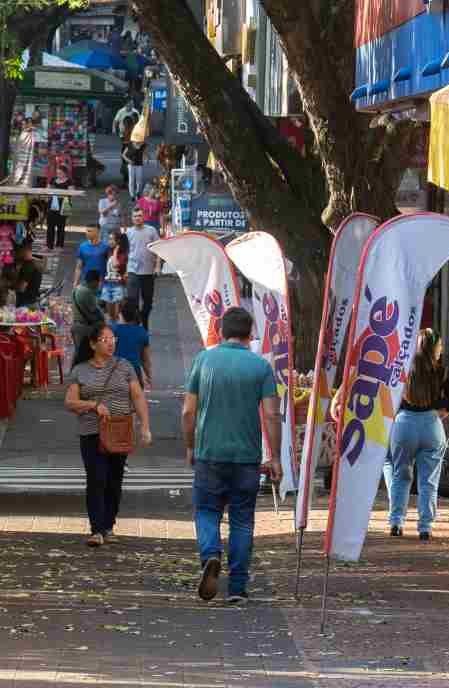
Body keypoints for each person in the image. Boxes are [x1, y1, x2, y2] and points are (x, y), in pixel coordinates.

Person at [182, 307, 281, 603]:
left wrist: (190, 446)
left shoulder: (203, 360)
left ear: (220, 331)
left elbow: (188, 411)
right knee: (242, 520)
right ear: (250, 334)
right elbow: (272, 414)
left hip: (209, 454)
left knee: (206, 511)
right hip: (246, 457)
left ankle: (211, 555)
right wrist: (275, 456)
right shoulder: (260, 367)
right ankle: (237, 588)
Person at [64, 322, 152, 547]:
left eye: (113, 339)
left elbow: (138, 396)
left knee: (114, 479)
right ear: (93, 344)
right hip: (91, 432)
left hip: (119, 430)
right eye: (105, 340)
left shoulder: (125, 366)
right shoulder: (80, 370)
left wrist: (145, 426)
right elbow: (70, 402)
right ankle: (96, 530)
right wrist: (93, 405)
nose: (111, 343)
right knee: (97, 479)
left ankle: (108, 525)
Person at [381, 329, 449, 541]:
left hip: (404, 425)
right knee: (429, 481)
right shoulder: (441, 371)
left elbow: (387, 395)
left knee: (400, 475)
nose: (441, 349)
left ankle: (396, 522)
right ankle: (425, 527)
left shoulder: (403, 369)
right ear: (434, 348)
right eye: (440, 346)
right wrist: (441, 408)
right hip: (431, 425)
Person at [125, 208, 162, 331]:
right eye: (135, 216)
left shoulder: (151, 231)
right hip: (132, 271)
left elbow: (158, 249)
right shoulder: (128, 232)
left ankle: (144, 321)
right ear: (132, 218)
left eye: (140, 216)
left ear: (144, 217)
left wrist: (157, 266)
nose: (137, 218)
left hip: (148, 271)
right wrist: (124, 270)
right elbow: (124, 252)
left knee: (148, 302)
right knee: (132, 301)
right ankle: (135, 326)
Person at [111, 298, 152, 388]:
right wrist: (148, 376)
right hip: (135, 372)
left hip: (115, 372)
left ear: (120, 313)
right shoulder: (142, 332)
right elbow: (145, 360)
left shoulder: (113, 330)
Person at [71, 270, 106, 349]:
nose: (99, 284)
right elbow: (96, 311)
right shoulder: (87, 292)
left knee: (78, 353)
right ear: (94, 281)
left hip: (76, 327)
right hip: (85, 329)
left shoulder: (77, 289)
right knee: (86, 353)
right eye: (98, 282)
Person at [100, 229, 129, 320]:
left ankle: (116, 327)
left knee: (117, 313)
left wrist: (116, 252)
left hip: (118, 285)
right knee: (109, 314)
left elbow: (115, 265)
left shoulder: (122, 254)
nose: (110, 241)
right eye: (109, 239)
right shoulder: (108, 251)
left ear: (118, 241)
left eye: (112, 239)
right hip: (107, 284)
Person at [12, 241, 45, 309]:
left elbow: (22, 288)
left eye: (19, 251)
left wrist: (11, 287)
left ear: (25, 250)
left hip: (25, 305)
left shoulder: (28, 266)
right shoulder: (36, 264)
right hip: (33, 302)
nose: (17, 254)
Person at [45, 169, 73, 250]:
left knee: (61, 226)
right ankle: (49, 245)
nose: (58, 174)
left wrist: (60, 193)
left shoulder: (69, 181)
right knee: (50, 226)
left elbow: (71, 192)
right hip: (53, 204)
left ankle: (59, 245)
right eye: (57, 173)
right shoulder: (53, 179)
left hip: (64, 204)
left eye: (60, 173)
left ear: (65, 173)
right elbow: (48, 190)